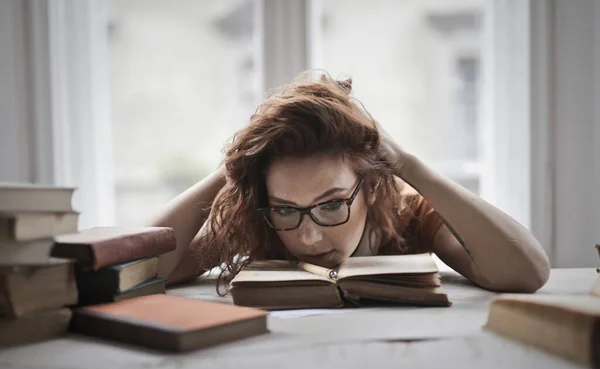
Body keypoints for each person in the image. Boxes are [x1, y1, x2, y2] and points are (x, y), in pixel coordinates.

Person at [146, 74, 550, 293]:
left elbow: (527, 273)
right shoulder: (260, 221)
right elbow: (141, 270)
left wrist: (410, 166)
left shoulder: (407, 213)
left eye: (331, 205)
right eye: (287, 208)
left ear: (371, 188)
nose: (307, 236)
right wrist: (232, 170)